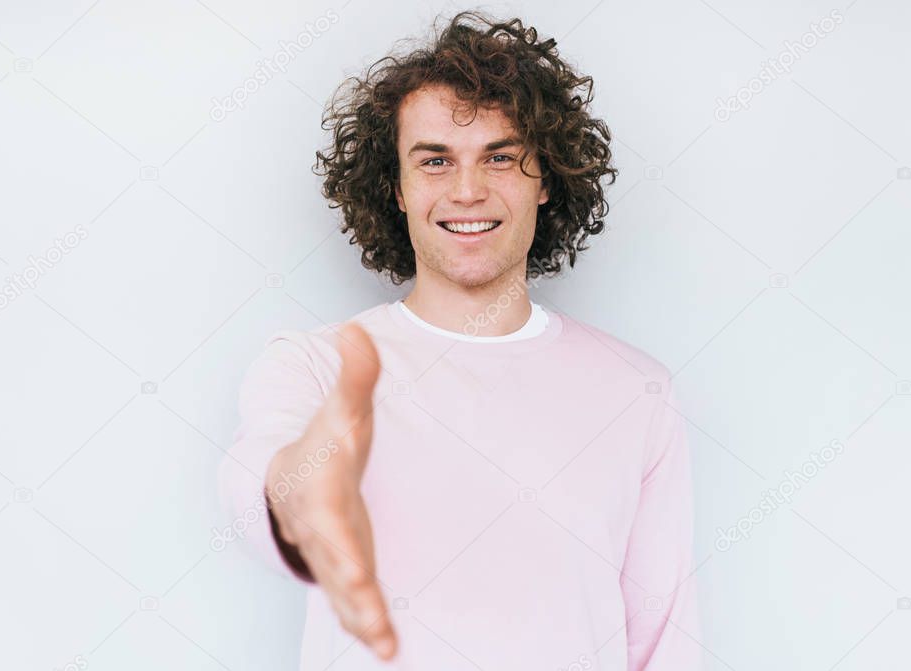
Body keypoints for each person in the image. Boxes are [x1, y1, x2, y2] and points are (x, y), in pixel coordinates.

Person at [219, 10, 702, 669]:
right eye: (436, 160)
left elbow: (664, 639)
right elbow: (266, 485)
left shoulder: (636, 390)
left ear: (546, 180)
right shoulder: (315, 365)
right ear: (395, 188)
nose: (468, 190)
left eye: (500, 157)